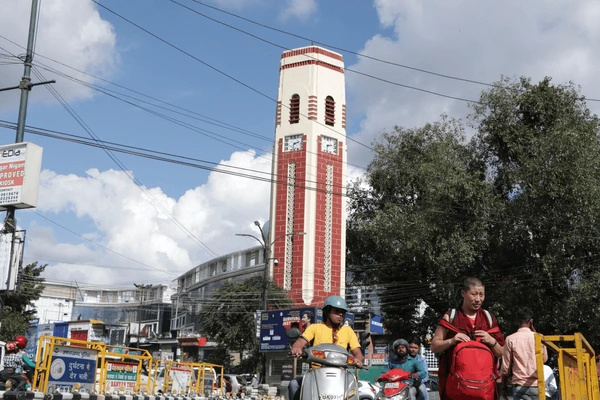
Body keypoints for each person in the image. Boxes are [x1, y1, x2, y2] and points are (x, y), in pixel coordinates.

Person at [430, 277, 505, 400]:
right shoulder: (451, 316)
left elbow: (501, 352)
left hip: (484, 387)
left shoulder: (488, 318)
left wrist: (492, 341)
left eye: (481, 294)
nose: (478, 299)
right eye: (474, 294)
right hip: (456, 386)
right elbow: (434, 346)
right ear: (463, 293)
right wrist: (451, 341)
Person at [288, 296, 364, 400]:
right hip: (316, 374)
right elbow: (301, 341)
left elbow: (357, 352)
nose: (341, 314)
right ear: (327, 312)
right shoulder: (315, 328)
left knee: (356, 389)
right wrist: (297, 348)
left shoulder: (348, 331)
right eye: (337, 311)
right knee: (293, 385)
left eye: (343, 312)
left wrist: (358, 359)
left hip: (341, 375)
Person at [501, 308, 548, 400]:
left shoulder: (510, 339)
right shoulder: (540, 337)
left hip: (519, 386)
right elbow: (544, 359)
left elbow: (505, 369)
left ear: (517, 321)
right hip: (537, 385)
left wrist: (504, 387)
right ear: (531, 321)